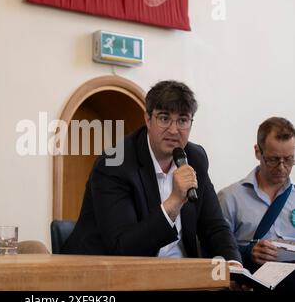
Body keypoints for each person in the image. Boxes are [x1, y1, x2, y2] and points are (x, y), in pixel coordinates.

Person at [62, 80, 241, 265]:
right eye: (164, 118)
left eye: (183, 120)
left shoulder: (195, 158)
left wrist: (234, 267)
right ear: (148, 119)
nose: (173, 130)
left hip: (178, 273)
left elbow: (215, 227)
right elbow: (123, 248)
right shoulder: (115, 163)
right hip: (105, 273)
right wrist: (174, 202)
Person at [218, 117, 295, 274]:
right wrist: (249, 253)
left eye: (289, 159)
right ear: (258, 152)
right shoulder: (230, 198)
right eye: (273, 159)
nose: (282, 167)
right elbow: (212, 252)